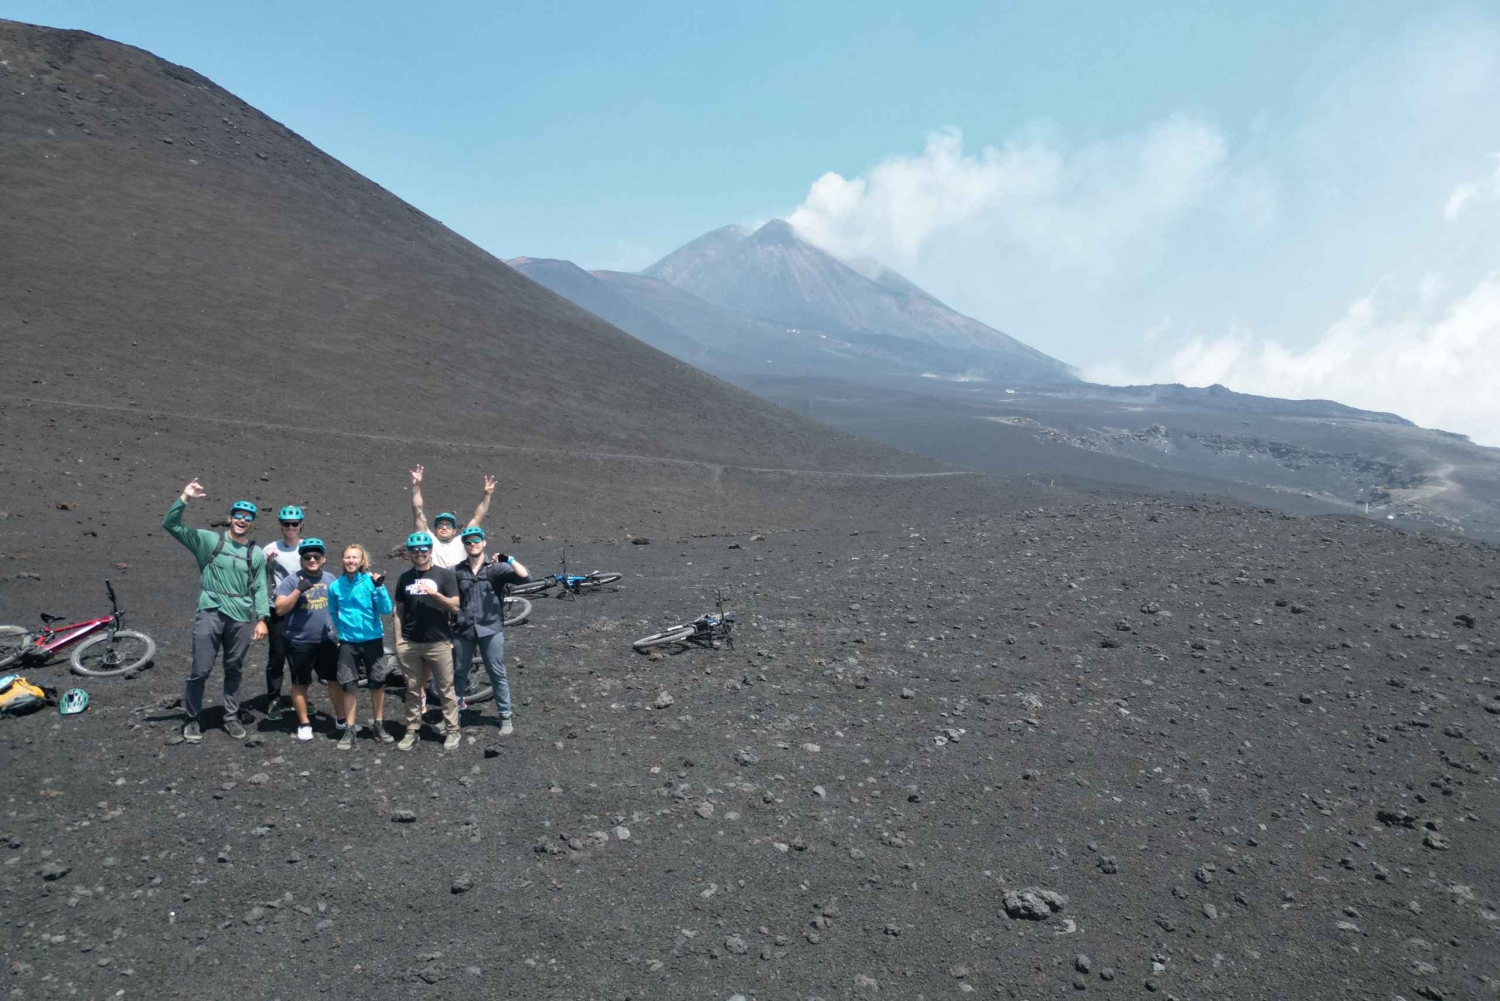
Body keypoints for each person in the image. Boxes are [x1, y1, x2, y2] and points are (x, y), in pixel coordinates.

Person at [162, 480, 269, 743]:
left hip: (241, 617)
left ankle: (230, 716)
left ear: (252, 522)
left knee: (234, 668)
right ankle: (191, 718)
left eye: (248, 517)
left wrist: (263, 619)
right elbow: (171, 525)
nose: (242, 520)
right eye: (238, 515)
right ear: (229, 518)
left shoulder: (255, 554)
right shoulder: (210, 541)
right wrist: (185, 497)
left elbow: (260, 587)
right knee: (200, 669)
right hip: (211, 612)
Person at [452, 526, 529, 736]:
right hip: (463, 629)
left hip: (491, 629)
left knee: (497, 673)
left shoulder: (495, 568)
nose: (472, 544)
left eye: (476, 540)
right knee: (459, 673)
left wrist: (508, 559)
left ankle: (505, 716)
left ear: (484, 542)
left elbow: (525, 577)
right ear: (465, 546)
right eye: (468, 542)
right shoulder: (457, 571)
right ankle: (453, 718)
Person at [393, 532, 461, 751]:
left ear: (430, 551)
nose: (419, 553)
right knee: (412, 689)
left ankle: (452, 731)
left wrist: (434, 593)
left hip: (438, 642)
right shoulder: (405, 578)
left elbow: (455, 606)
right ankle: (412, 729)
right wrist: (398, 641)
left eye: (423, 549)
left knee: (445, 689)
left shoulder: (444, 576)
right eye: (415, 550)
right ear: (409, 554)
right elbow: (398, 611)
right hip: (411, 643)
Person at [326, 544, 395, 746]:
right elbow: (332, 611)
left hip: (372, 639)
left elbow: (386, 609)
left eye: (355, 557)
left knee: (378, 683)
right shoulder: (335, 587)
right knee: (348, 685)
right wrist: (342, 631)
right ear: (342, 560)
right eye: (347, 557)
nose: (351, 561)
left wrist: (380, 588)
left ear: (362, 560)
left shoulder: (371, 582)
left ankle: (378, 725)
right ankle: (350, 729)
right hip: (348, 642)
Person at [271, 538, 337, 744]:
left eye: (316, 556)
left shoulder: (330, 578)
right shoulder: (292, 580)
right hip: (299, 641)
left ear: (323, 558)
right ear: (301, 560)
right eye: (307, 557)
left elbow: (339, 605)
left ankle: (342, 719)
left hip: (326, 639)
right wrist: (299, 590)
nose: (312, 560)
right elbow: (280, 609)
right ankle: (305, 723)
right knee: (300, 683)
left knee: (334, 680)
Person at [261, 505, 305, 720]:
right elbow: (260, 578)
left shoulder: (307, 548)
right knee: (277, 654)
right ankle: (274, 699)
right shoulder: (270, 549)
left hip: (303, 609)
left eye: (294, 524)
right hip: (277, 608)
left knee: (301, 655)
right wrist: (269, 564)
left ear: (300, 525)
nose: (290, 528)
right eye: (286, 524)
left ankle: (301, 698)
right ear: (280, 525)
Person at [410, 465, 497, 569]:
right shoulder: (429, 539)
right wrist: (416, 486)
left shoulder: (462, 541)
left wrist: (487, 495)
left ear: (455, 531)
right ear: (435, 530)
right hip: (434, 580)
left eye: (448, 525)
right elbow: (418, 512)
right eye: (440, 525)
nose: (444, 527)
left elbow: (478, 518)